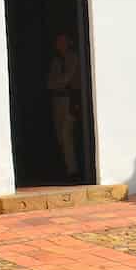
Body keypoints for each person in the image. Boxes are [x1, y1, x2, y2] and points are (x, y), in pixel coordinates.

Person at [47, 33, 81, 177]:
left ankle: (72, 171)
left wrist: (57, 83)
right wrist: (55, 84)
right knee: (59, 134)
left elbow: (67, 78)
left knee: (66, 134)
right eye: (58, 41)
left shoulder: (73, 58)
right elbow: (49, 83)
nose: (59, 44)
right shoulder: (56, 60)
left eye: (62, 41)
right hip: (57, 100)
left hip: (69, 99)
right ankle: (66, 167)